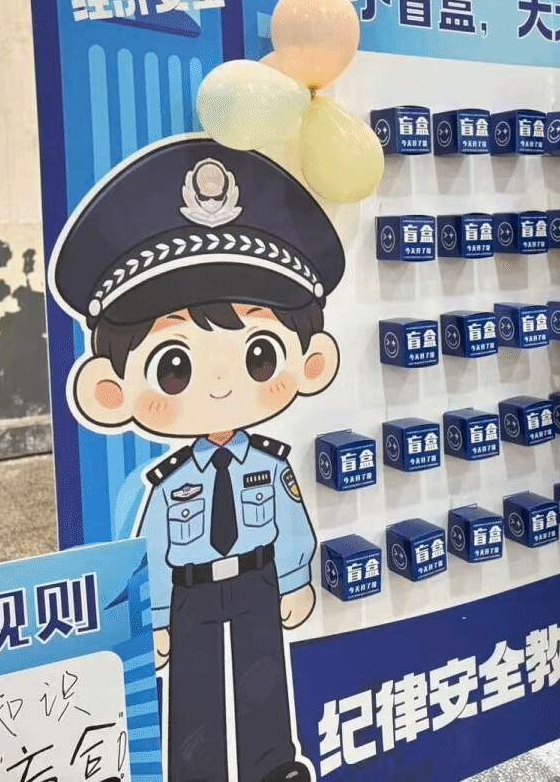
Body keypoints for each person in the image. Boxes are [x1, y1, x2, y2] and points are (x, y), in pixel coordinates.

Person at [50, 135, 346, 782]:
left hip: (259, 581)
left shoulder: (271, 464)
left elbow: (291, 526)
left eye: (259, 356)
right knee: (196, 694)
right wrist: (157, 619)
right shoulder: (167, 482)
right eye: (174, 366)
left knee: (264, 679)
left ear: (311, 361)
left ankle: (273, 765)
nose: (217, 387)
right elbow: (154, 550)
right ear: (109, 391)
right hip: (188, 595)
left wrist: (295, 580)